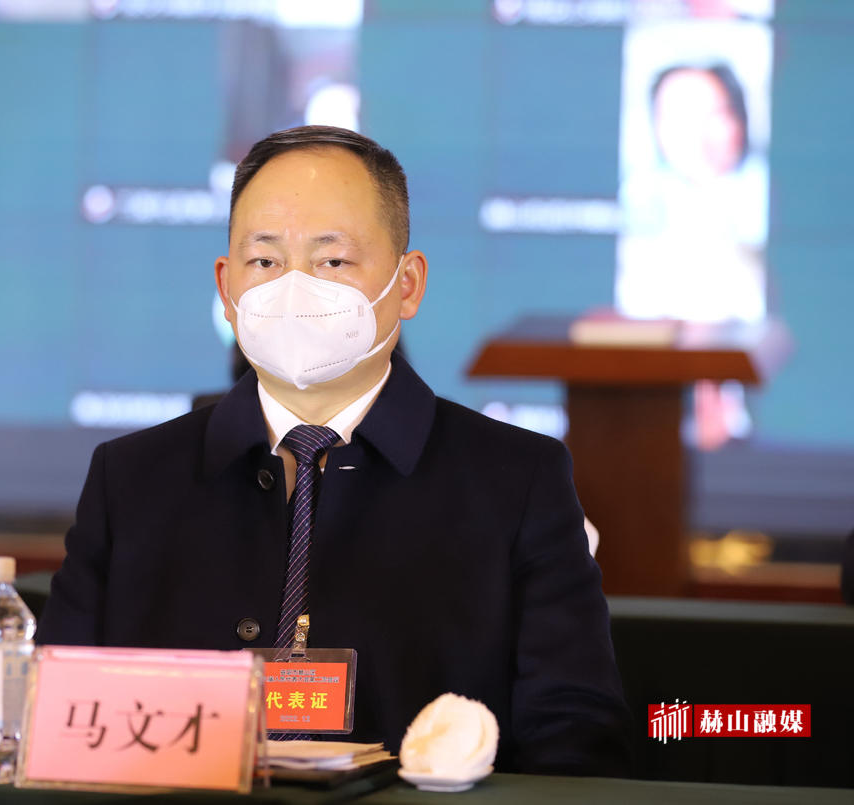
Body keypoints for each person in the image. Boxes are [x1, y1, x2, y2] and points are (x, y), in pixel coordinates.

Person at [40, 126, 631, 775]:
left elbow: (575, 732)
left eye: (333, 261)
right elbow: (54, 716)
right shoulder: (131, 480)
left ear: (408, 284)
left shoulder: (517, 479)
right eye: (264, 262)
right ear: (226, 288)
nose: (294, 288)